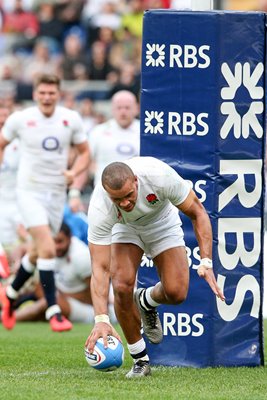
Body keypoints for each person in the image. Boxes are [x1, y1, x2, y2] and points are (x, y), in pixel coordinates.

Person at [85, 156, 225, 378]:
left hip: (162, 223)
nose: (124, 203)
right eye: (116, 199)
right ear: (105, 192)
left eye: (129, 195)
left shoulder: (159, 176)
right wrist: (101, 319)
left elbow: (198, 213)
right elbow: (100, 268)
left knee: (177, 293)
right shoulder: (100, 208)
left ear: (136, 181)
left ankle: (145, 300)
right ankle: (140, 360)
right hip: (126, 229)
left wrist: (206, 262)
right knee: (121, 285)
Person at [0, 74, 90, 332]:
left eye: (52, 93)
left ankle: (10, 294)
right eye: (43, 93)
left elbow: (85, 153)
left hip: (55, 194)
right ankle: (54, 312)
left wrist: (74, 173)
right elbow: (1, 143)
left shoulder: (70, 119)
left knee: (38, 252)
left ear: (58, 94)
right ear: (35, 94)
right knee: (48, 249)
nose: (47, 97)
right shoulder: (21, 120)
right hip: (28, 192)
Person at [68, 90, 140, 212]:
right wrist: (74, 193)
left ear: (136, 108)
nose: (123, 112)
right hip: (104, 198)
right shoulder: (98, 132)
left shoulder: (144, 132)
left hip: (136, 199)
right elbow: (85, 162)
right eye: (119, 108)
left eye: (127, 108)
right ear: (112, 109)